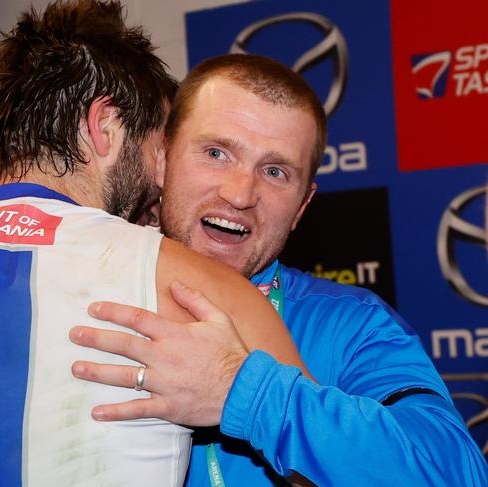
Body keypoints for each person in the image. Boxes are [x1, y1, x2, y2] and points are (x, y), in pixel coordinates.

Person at [0, 2, 308, 486]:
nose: (161, 173)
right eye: (157, 144)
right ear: (104, 126)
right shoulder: (182, 280)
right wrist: (250, 395)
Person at [69, 55, 488, 485]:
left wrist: (246, 393)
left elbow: (454, 474)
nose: (240, 194)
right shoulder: (79, 292)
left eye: (274, 171)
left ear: (302, 206)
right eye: (216, 153)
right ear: (162, 159)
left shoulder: (351, 324)